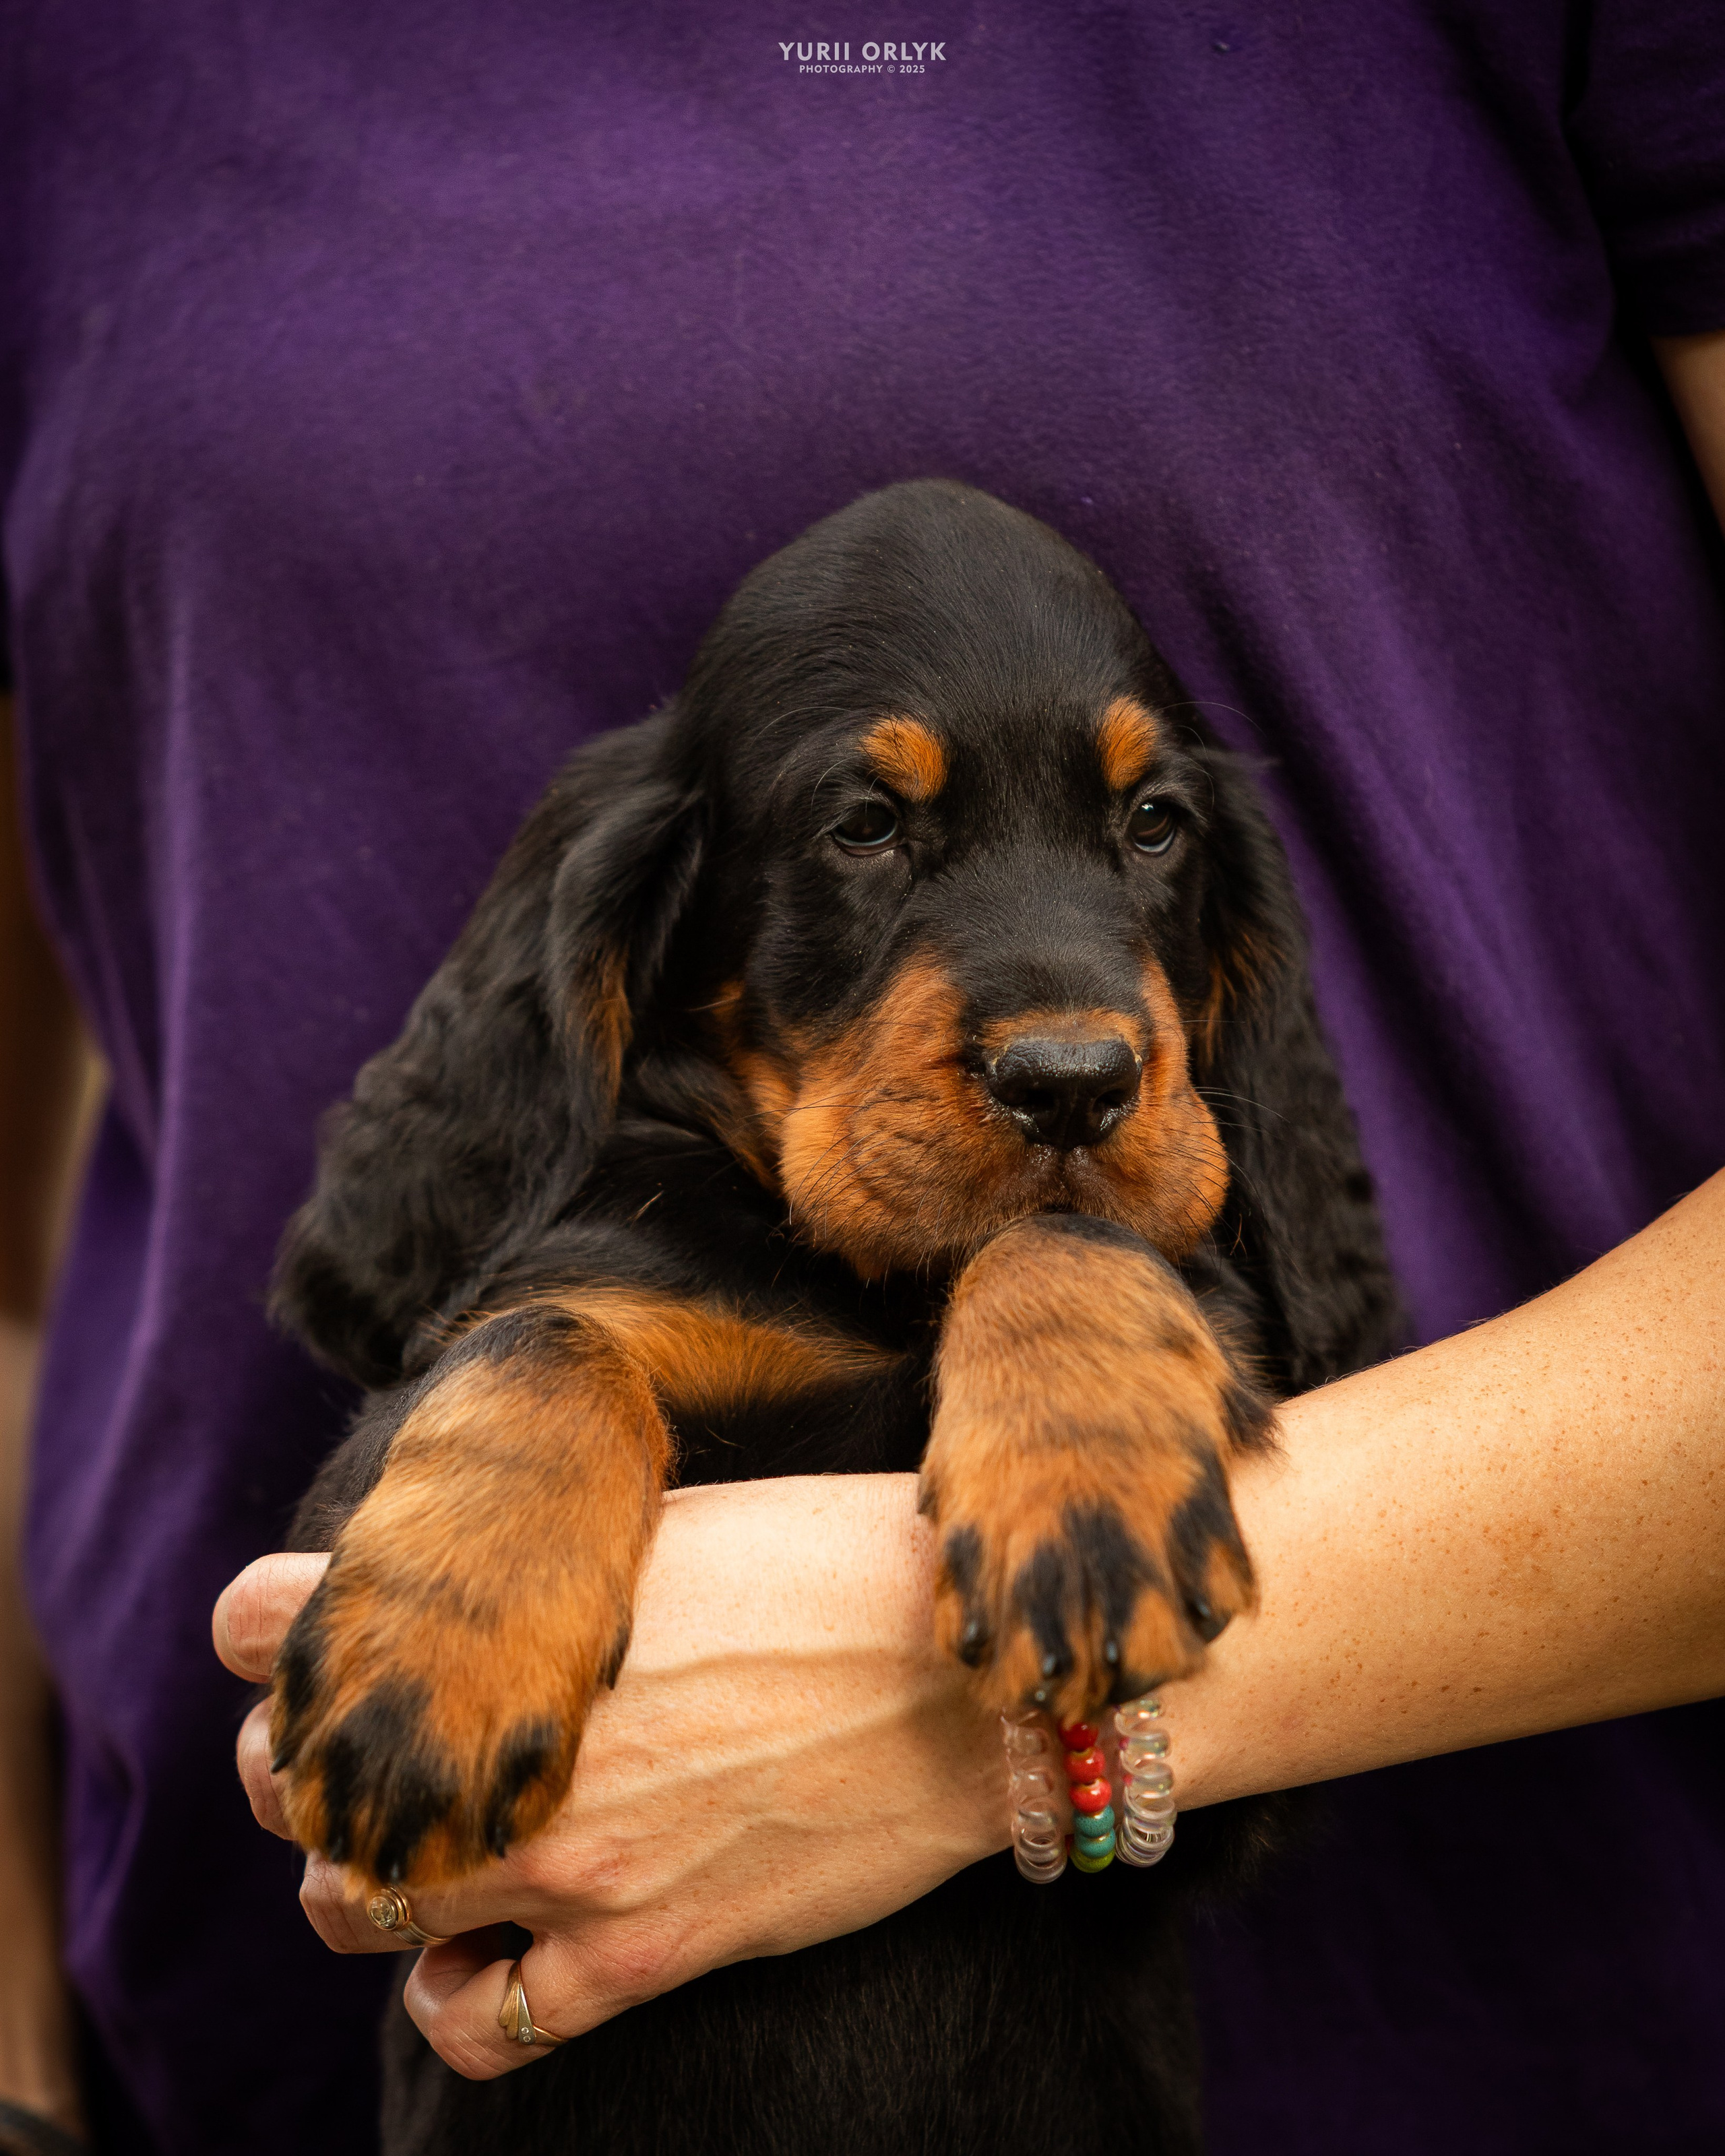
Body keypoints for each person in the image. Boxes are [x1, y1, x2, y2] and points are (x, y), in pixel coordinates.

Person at [3, 3, 1723, 2151]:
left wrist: (979, 1720)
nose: (1075, 1024)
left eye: (1144, 831)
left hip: (1467, 2045)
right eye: (868, 831)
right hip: (250, 2051)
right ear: (649, 955)